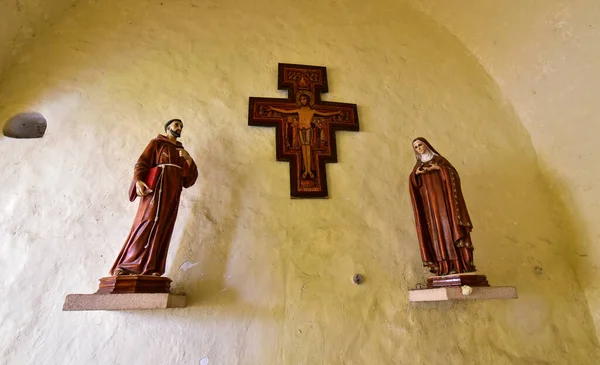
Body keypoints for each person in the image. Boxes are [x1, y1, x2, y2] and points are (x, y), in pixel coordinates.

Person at [110, 119, 198, 276]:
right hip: (156, 190)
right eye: (176, 125)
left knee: (164, 226)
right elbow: (141, 163)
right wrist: (138, 181)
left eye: (181, 126)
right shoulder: (156, 144)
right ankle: (127, 265)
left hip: (172, 194)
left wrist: (189, 159)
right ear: (167, 127)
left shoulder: (180, 151)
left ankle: (153, 268)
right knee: (147, 221)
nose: (179, 128)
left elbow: (188, 180)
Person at [408, 137, 476, 276]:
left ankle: (459, 264)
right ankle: (443, 265)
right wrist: (415, 174)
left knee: (450, 229)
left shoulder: (440, 161)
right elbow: (414, 186)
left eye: (420, 145)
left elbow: (454, 176)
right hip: (430, 210)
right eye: (415, 147)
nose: (419, 148)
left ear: (426, 145)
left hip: (445, 206)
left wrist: (439, 168)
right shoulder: (418, 167)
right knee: (436, 234)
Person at [269, 92, 340, 178]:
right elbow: (286, 111)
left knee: (308, 150)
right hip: (300, 130)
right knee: (303, 149)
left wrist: (336, 112)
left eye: (304, 99)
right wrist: (274, 108)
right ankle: (306, 169)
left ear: (308, 100)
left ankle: (309, 170)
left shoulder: (312, 111)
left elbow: (324, 114)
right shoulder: (299, 110)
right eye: (301, 99)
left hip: (308, 130)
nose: (303, 100)